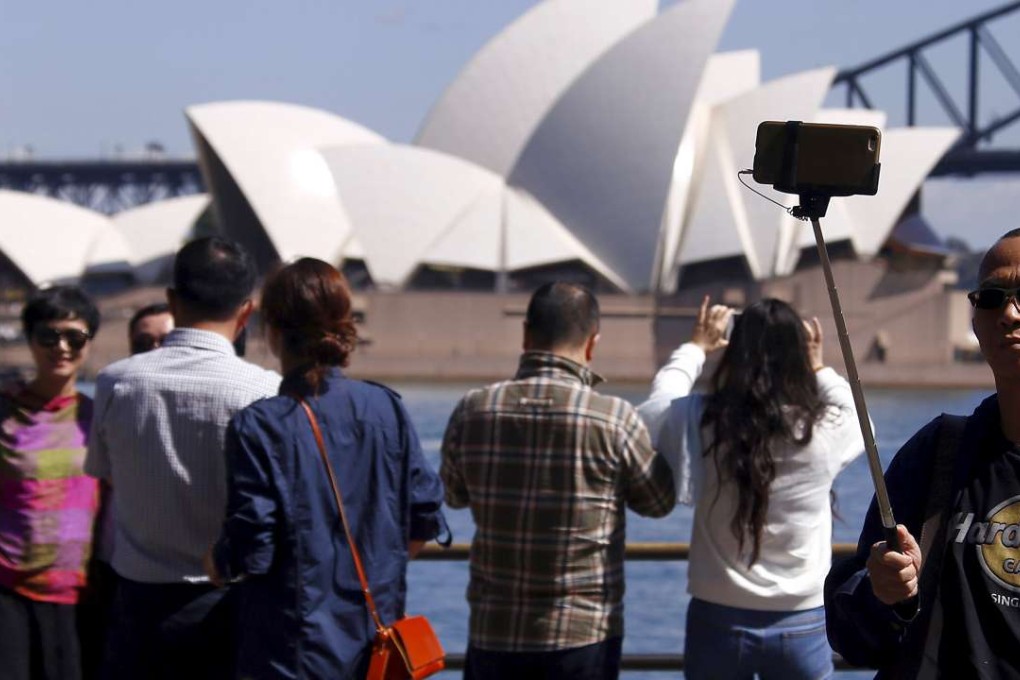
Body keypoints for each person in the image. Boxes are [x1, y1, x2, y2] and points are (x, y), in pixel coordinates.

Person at [205, 257, 447, 679]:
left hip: (290, 654)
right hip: (376, 648)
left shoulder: (260, 425)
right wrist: (373, 573)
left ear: (273, 332)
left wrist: (214, 562)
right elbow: (424, 517)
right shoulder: (386, 408)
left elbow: (254, 550)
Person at [440, 282, 676, 680]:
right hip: (584, 638)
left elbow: (452, 494)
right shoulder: (614, 419)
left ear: (526, 335)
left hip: (493, 631)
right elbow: (659, 501)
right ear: (592, 344)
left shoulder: (473, 410)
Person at [826, 228, 1020, 678]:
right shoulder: (937, 456)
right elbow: (853, 636)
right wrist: (888, 595)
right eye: (992, 297)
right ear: (975, 320)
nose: (1010, 313)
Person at [638, 297, 864, 680]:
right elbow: (860, 420)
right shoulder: (823, 430)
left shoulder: (700, 418)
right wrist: (819, 367)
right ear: (799, 354)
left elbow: (654, 411)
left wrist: (694, 348)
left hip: (717, 616)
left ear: (735, 353)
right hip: (802, 619)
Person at [85, 236, 280, 679]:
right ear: (247, 311)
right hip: (233, 609)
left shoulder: (115, 383)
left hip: (138, 609)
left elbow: (105, 475)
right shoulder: (265, 391)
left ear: (172, 299)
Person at [0, 286, 101, 680]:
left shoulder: (100, 416)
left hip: (76, 593)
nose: (61, 347)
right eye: (48, 335)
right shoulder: (6, 411)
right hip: (8, 591)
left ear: (89, 343)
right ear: (30, 340)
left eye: (74, 337)